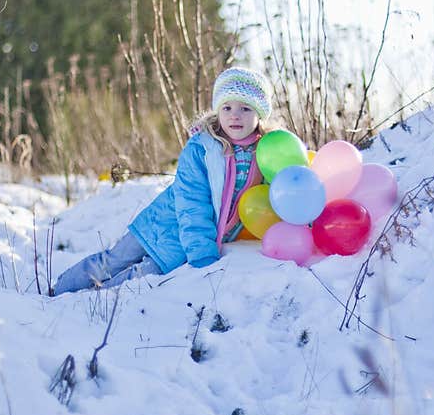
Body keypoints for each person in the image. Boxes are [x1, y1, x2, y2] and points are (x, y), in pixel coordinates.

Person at [52, 67, 272, 295]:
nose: (234, 115)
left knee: (136, 277)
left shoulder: (266, 152)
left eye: (245, 108)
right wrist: (203, 253)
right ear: (218, 110)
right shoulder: (202, 148)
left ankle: (87, 303)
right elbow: (192, 201)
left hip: (184, 244)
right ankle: (60, 291)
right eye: (227, 107)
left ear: (260, 113)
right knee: (111, 261)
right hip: (163, 223)